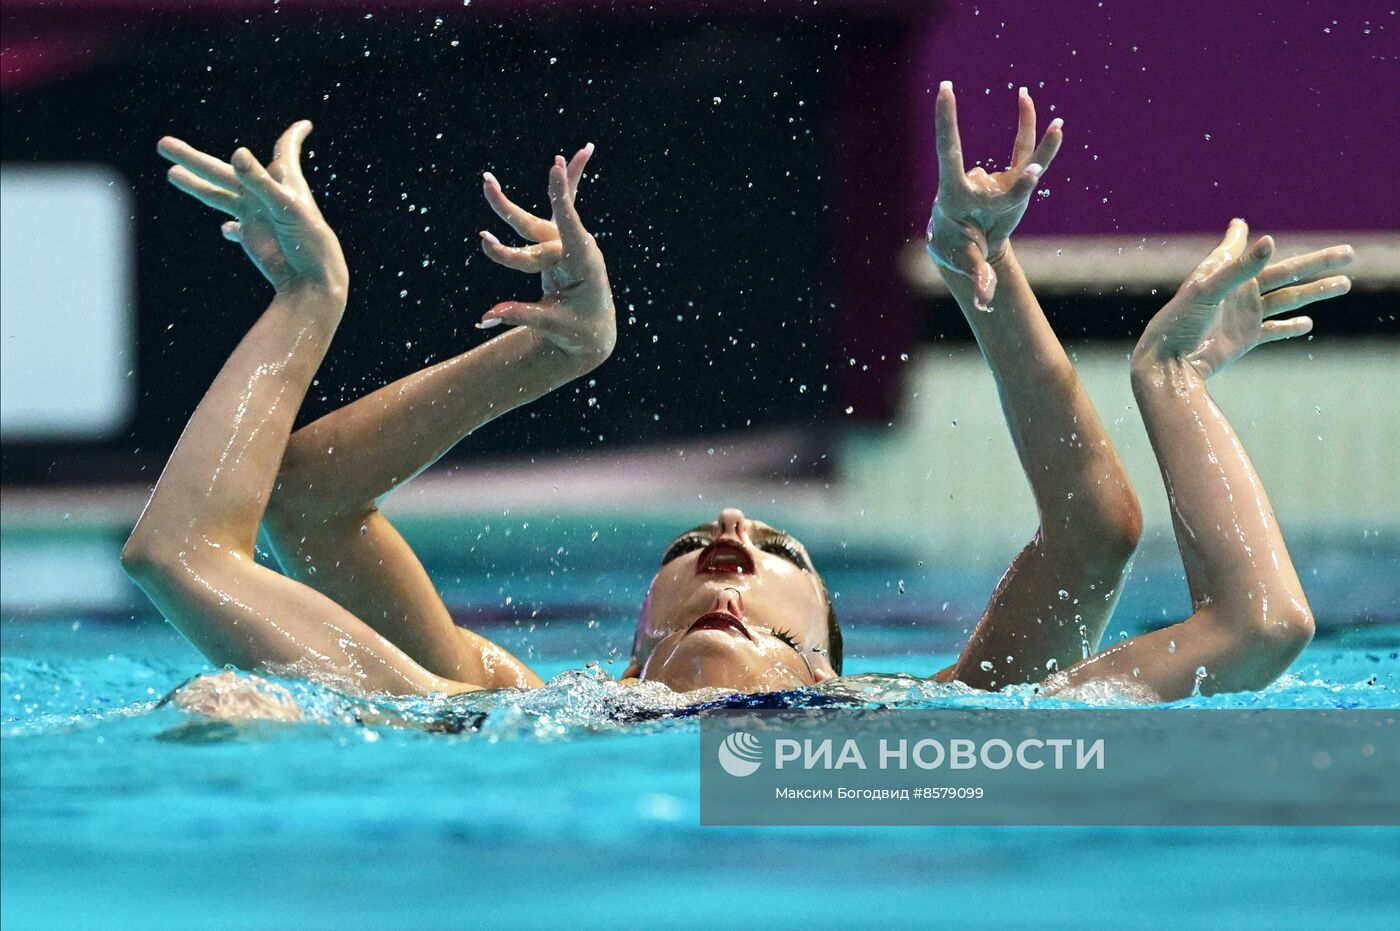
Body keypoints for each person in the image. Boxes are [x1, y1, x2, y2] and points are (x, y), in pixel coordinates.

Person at [123, 84, 1354, 714]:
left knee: (237, 705)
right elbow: (276, 519)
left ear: (829, 639)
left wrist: (1164, 375)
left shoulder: (935, 726)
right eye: (694, 540)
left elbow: (1220, 604)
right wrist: (319, 309)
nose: (725, 535)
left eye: (769, 545)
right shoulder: (484, 711)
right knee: (231, 705)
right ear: (633, 634)